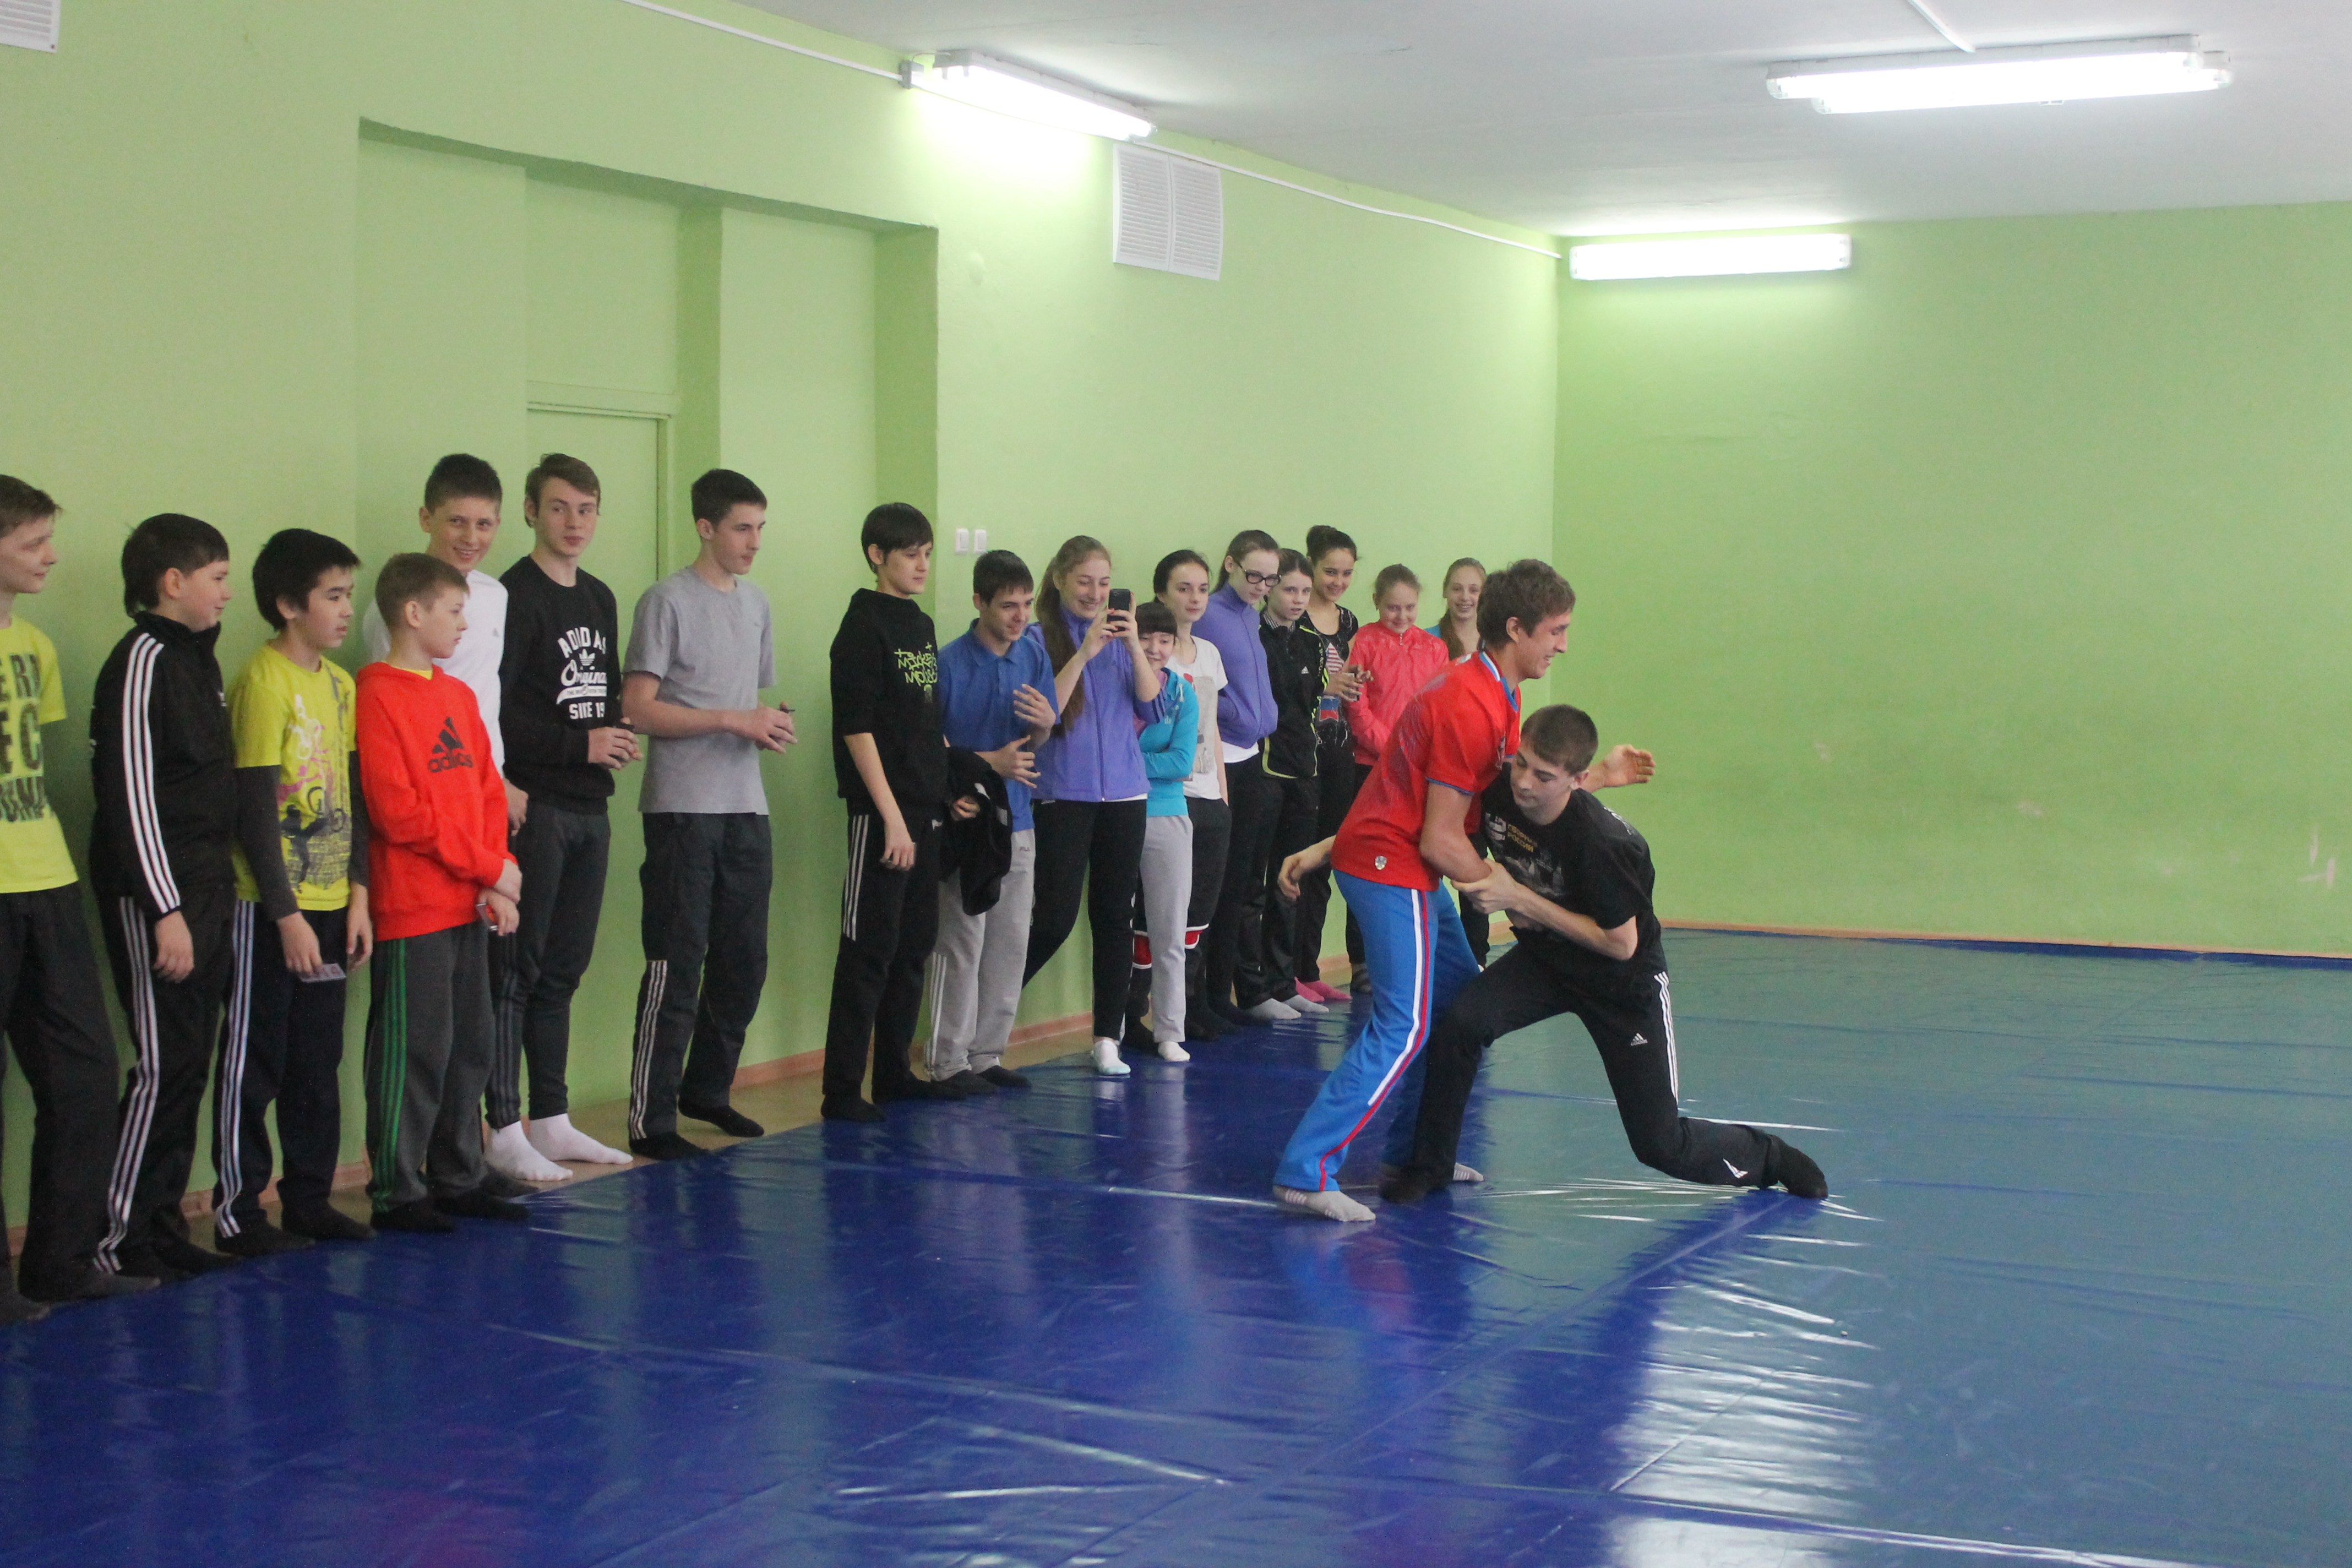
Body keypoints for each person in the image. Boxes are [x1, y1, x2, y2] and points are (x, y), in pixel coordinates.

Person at [1266, 559, 1651, 1223]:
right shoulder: (1469, 701)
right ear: (1517, 628)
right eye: (1556, 631)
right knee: (1404, 1024)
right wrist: (1509, 894)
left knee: (1458, 1005)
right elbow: (1441, 838)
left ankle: (1418, 1153)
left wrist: (1595, 780)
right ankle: (1305, 1170)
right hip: (1391, 865)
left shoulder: (1496, 689)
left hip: (1394, 856)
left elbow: (1497, 795)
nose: (1563, 644)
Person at [1377, 704, 1826, 1205]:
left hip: (1621, 984)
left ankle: (1770, 1157)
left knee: (1660, 1144)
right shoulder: (1503, 790)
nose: (1524, 782)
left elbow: (1620, 944)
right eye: (1522, 762)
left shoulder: (1607, 846)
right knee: (1461, 1023)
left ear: (1573, 780)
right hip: (1549, 961)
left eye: (1543, 776)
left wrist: (1520, 899)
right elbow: (1462, 816)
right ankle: (1431, 1164)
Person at [0, 478, 154, 1315]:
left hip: (47, 877)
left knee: (85, 1074)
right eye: (32, 544)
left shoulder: (33, 647)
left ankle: (59, 1260)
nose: (50, 557)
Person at [89, 513, 244, 1281]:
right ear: (173, 582)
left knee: (189, 1062)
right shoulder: (142, 660)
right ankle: (114, 1235)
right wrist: (165, 909)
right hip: (160, 895)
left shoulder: (197, 661)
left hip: (208, 886)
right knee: (160, 1064)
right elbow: (129, 794)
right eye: (217, 578)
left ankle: (160, 1222)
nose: (227, 593)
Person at [622, 469, 793, 1158]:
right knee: (677, 960)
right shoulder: (665, 601)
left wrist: (767, 724)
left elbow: (745, 703)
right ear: (705, 528)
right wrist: (732, 719)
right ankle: (651, 1118)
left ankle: (708, 1089)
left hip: (745, 804)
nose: (754, 542)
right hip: (681, 809)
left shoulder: (756, 604)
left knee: (744, 960)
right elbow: (638, 710)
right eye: (741, 528)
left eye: (760, 528)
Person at [214, 529, 375, 1256]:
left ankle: (309, 1198)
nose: (345, 610)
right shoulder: (262, 682)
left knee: (317, 1061)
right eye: (332, 596)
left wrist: (359, 896)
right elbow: (252, 809)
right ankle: (239, 1210)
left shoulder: (340, 685)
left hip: (333, 900)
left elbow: (354, 797)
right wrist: (284, 913)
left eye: (348, 595)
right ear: (288, 605)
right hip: (271, 907)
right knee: (259, 1061)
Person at [356, 553, 526, 1232]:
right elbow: (398, 812)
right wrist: (489, 867)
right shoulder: (377, 693)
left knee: (469, 1044)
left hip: (465, 901)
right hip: (414, 905)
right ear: (413, 613)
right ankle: (397, 1188)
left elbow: (486, 792)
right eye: (454, 611)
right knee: (415, 1049)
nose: (464, 625)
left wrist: (496, 876)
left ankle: (459, 1172)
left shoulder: (456, 695)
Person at [489, 454, 636, 1177]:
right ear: (530, 511)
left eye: (586, 509)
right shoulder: (512, 595)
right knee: (520, 969)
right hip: (536, 804)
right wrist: (581, 743)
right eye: (558, 508)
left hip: (590, 805)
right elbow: (498, 712)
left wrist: (614, 737)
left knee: (564, 970)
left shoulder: (601, 597)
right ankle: (503, 1125)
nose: (574, 523)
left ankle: (551, 1117)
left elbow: (604, 694)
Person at [822, 503, 990, 1121]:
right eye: (910, 554)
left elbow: (923, 721)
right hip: (882, 815)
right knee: (869, 949)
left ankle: (893, 1074)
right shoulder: (862, 626)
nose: (923, 565)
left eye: (927, 554)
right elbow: (858, 729)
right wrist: (890, 817)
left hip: (925, 809)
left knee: (914, 945)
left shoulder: (919, 623)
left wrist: (946, 788)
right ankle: (842, 1089)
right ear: (877, 556)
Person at [1021, 536, 1164, 1078]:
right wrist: (1084, 653)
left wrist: (1132, 644)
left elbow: (1153, 707)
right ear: (1060, 579)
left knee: (1115, 919)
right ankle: (990, 1010)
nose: (1095, 593)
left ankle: (1108, 1035)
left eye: (1104, 583)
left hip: (1125, 795)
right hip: (1062, 794)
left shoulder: (1122, 638)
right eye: (1085, 581)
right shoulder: (1038, 638)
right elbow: (1045, 716)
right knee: (1053, 920)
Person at [926, 549, 1055, 1095]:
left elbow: (1035, 741)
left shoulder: (1032, 655)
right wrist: (983, 769)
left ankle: (986, 1053)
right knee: (962, 943)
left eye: (1026, 604)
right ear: (979, 602)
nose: (1020, 616)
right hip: (969, 820)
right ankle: (947, 1059)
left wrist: (1046, 724)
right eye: (1007, 606)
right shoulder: (950, 663)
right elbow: (931, 747)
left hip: (1018, 818)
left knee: (1010, 941)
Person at [361, 454, 516, 827]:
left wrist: (498, 780)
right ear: (426, 519)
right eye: (456, 522)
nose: (471, 538)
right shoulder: (397, 606)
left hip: (488, 784)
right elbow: (396, 708)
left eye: (484, 524)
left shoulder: (496, 595)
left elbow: (486, 692)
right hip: (434, 790)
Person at [1195, 530, 1293, 1025]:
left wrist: (1260, 716)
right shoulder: (1209, 614)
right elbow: (1199, 682)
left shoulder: (1252, 616)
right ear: (1230, 564)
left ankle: (1223, 994)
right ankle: (1202, 999)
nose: (1262, 587)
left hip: (1253, 755)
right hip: (1223, 758)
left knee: (1241, 886)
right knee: (1217, 886)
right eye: (1255, 576)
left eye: (1270, 579)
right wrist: (1233, 715)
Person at [1340, 564, 1450, 993]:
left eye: (1409, 608)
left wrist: (1417, 755)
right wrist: (1390, 748)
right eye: (1392, 608)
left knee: (1414, 859)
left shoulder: (1434, 648)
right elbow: (1356, 704)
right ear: (1376, 603)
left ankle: (1418, 948)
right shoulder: (1364, 642)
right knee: (1367, 860)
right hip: (1371, 766)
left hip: (1417, 771)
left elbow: (1439, 705)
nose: (1401, 616)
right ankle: (1361, 960)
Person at [1153, 549, 1232, 1043]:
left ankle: (1190, 1005)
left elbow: (1213, 728)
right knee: (1160, 913)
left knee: (1200, 910)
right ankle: (1148, 1013)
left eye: (1202, 589)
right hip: (1166, 798)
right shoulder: (1152, 654)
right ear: (1162, 594)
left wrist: (1222, 794)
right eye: (1184, 589)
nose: (1194, 598)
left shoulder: (1209, 653)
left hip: (1208, 796)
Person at [1125, 600, 1200, 1061]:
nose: (1155, 647)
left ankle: (1170, 1029)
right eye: (1146, 637)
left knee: (1170, 928)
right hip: (1115, 811)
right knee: (1116, 927)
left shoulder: (1182, 694)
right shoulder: (1115, 686)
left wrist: (1124, 761)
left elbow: (1181, 763)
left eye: (1165, 639)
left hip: (1167, 813)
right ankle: (1111, 1027)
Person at [1291, 525, 1361, 1005]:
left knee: (1326, 861)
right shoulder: (1294, 617)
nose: (1338, 581)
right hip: (1301, 754)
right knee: (1296, 859)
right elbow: (1288, 688)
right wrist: (1325, 688)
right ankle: (1284, 970)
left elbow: (1359, 684)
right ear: (1312, 567)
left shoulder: (1351, 622)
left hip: (1341, 753)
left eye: (1347, 574)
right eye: (1330, 571)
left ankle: (1309, 967)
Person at [1256, 551, 1329, 1015]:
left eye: (1305, 591)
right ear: (1270, 589)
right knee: (1255, 884)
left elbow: (1311, 703)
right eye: (1290, 590)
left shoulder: (1311, 641)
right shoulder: (1253, 635)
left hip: (1305, 770)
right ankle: (1252, 987)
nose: (1299, 599)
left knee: (1292, 878)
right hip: (1264, 771)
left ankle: (1283, 982)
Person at [1434, 558, 1492, 965]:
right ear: (1445, 591)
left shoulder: (1496, 646)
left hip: (1480, 777)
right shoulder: (1428, 643)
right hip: (1440, 772)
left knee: (1474, 869)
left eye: (1474, 589)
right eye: (1457, 588)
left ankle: (1478, 960)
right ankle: (1433, 958)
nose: (1465, 597)